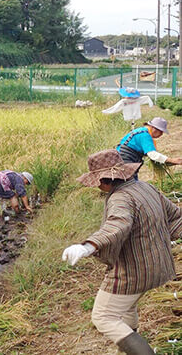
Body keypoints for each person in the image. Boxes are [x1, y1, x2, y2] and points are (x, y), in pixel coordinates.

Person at [62, 149, 182, 354]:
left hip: (133, 271)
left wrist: (87, 246)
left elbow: (117, 226)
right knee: (126, 307)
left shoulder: (120, 198)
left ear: (104, 180)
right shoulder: (145, 187)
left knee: (103, 316)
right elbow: (176, 217)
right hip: (158, 265)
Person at [116, 116, 182, 177]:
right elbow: (152, 155)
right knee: (130, 183)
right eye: (161, 132)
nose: (161, 134)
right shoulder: (145, 135)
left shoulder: (141, 131)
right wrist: (172, 160)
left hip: (122, 159)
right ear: (154, 129)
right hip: (125, 160)